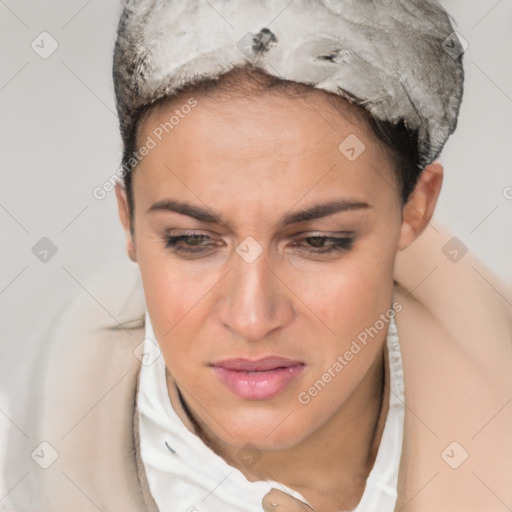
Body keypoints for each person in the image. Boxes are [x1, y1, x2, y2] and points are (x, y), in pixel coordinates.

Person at [2, 1, 511, 511]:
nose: (251, 318)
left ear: (415, 209)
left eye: (319, 242)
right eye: (192, 240)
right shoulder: (30, 461)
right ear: (129, 219)